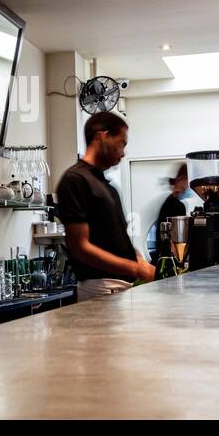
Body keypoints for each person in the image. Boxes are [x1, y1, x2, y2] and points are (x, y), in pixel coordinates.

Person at [57, 111, 156, 300]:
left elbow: (116, 241)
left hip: (119, 288)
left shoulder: (107, 187)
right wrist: (136, 268)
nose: (123, 152)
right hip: (102, 289)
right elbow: (81, 248)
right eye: (121, 143)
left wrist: (141, 261)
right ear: (102, 137)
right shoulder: (75, 180)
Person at [148, 164, 200, 258]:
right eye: (188, 182)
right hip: (170, 256)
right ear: (181, 179)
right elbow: (178, 239)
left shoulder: (169, 201)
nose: (188, 187)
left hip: (163, 254)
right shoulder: (176, 205)